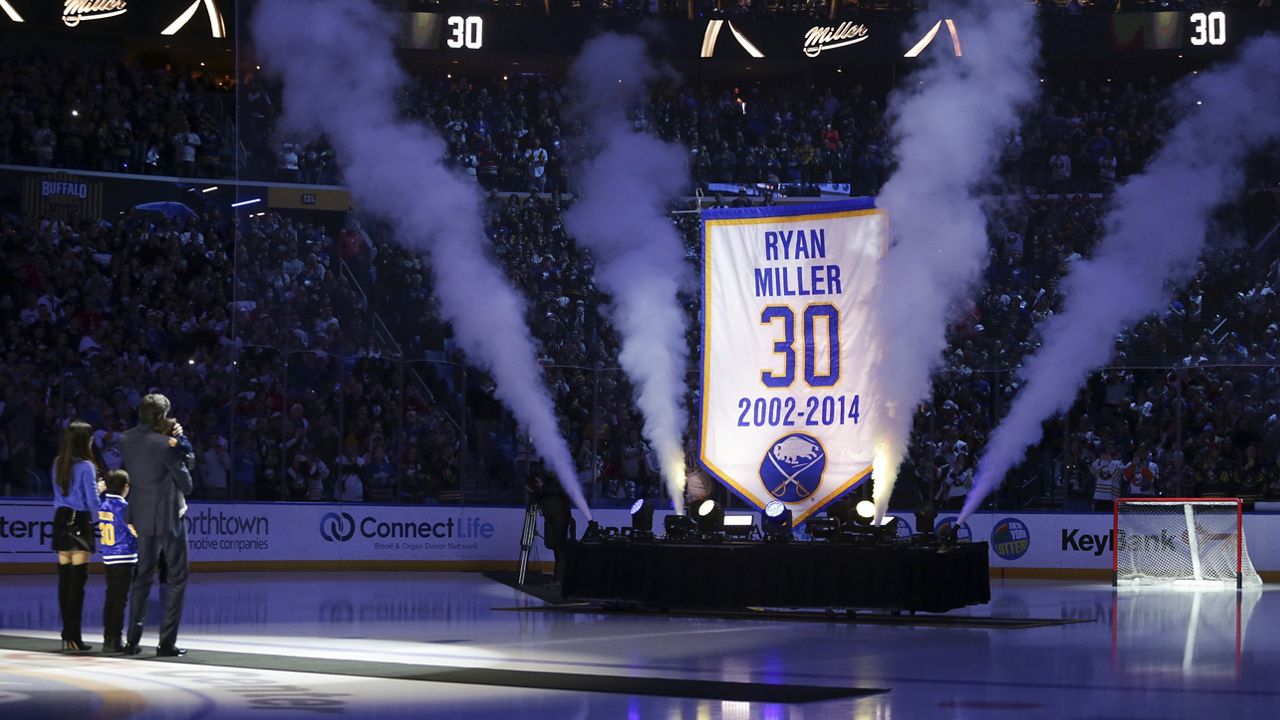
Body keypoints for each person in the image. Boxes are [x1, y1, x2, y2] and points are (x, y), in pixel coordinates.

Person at [120, 394, 194, 657]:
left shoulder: (125, 439)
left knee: (141, 577)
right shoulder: (166, 444)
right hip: (168, 516)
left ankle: (132, 640)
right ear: (162, 416)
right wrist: (182, 445)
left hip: (140, 514)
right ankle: (166, 643)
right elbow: (187, 484)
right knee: (177, 577)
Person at [51, 421, 100, 652]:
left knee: (65, 580)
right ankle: (74, 635)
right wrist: (99, 490)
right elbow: (92, 502)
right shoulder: (86, 467)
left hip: (61, 518)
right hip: (79, 519)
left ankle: (67, 632)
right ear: (85, 441)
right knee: (77, 582)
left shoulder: (58, 463)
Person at [98, 469, 137, 654]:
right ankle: (115, 640)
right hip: (124, 556)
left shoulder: (103, 504)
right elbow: (134, 532)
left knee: (111, 598)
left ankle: (108, 638)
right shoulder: (124, 508)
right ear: (125, 487)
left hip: (108, 556)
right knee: (120, 600)